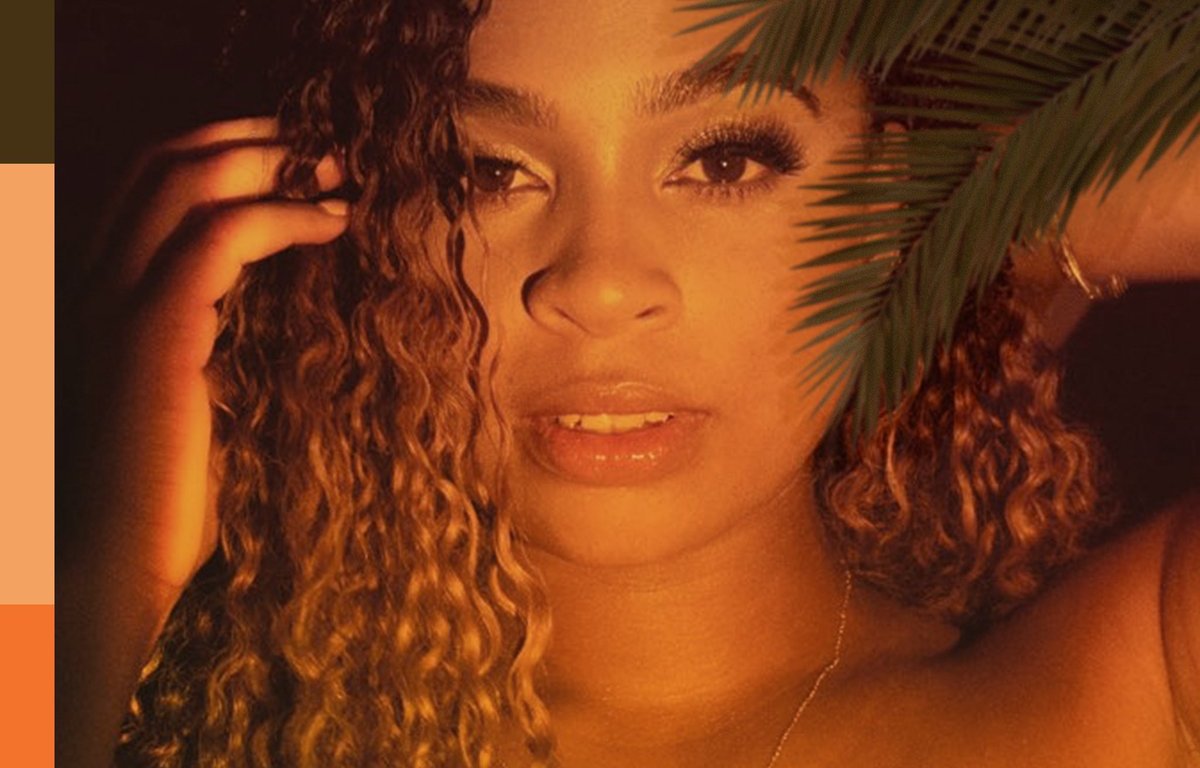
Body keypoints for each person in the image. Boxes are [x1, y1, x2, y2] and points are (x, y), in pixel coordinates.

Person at [57, 1, 1200, 767]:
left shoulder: (1145, 680)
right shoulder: (145, 714)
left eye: (726, 160)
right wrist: (103, 578)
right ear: (336, 229)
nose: (599, 285)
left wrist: (983, 212)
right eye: (480, 172)